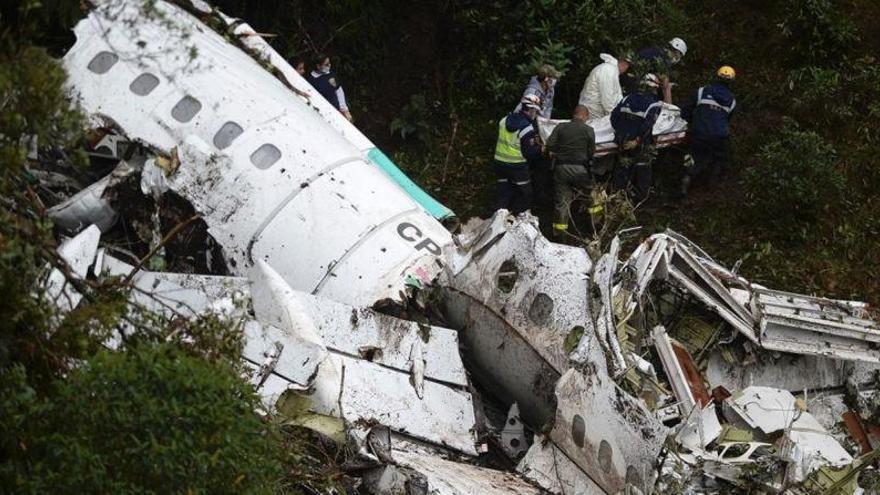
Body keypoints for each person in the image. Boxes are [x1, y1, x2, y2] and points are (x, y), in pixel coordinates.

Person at [680, 66, 737, 196]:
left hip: (699, 132)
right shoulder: (732, 101)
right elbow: (727, 120)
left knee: (694, 156)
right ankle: (712, 187)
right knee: (720, 158)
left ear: (716, 77)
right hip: (719, 135)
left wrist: (690, 122)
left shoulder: (701, 91)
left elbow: (685, 110)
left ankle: (687, 177)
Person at [610, 74, 664, 201]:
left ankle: (618, 199)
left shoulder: (627, 99)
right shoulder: (653, 104)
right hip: (640, 144)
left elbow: (614, 118)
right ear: (653, 88)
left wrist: (620, 134)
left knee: (622, 169)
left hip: (622, 141)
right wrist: (637, 140)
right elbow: (648, 125)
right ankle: (639, 201)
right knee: (642, 170)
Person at [545, 105, 596, 238]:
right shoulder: (588, 130)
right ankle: (594, 228)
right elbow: (591, 152)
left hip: (561, 169)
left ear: (574, 115)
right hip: (580, 170)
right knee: (592, 196)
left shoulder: (561, 127)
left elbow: (550, 145)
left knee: (562, 202)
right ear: (585, 116)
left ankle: (560, 234)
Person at [493, 94, 543, 214]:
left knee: (504, 192)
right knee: (525, 194)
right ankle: (515, 219)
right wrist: (541, 149)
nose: (535, 114)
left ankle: (498, 219)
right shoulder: (526, 128)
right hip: (517, 166)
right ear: (531, 109)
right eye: (535, 111)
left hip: (499, 163)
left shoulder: (504, 120)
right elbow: (529, 153)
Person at [578, 53, 631, 120]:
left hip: (596, 111)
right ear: (625, 65)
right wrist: (615, 116)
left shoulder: (610, 70)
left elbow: (616, 96)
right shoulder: (608, 70)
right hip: (593, 112)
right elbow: (607, 98)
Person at [634, 37, 687, 103]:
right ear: (677, 51)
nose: (679, 58)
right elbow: (665, 84)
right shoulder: (664, 59)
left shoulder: (654, 50)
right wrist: (669, 106)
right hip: (643, 90)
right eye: (680, 55)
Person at [306, 54, 353, 121]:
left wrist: (345, 110)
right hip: (324, 113)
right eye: (326, 64)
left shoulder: (330, 73)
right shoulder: (311, 80)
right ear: (318, 66)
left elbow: (338, 90)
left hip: (338, 110)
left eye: (329, 63)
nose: (329, 65)